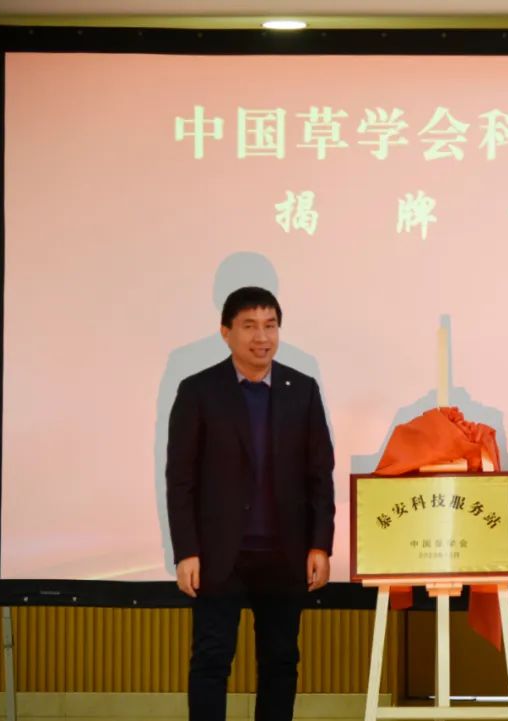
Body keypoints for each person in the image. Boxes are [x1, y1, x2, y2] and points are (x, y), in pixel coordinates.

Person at [166, 286, 335, 721]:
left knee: (281, 661)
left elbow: (320, 476)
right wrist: (186, 550)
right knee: (211, 660)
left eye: (270, 326)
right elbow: (180, 480)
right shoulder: (198, 391)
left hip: (285, 553)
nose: (262, 337)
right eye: (249, 326)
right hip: (219, 554)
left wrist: (320, 544)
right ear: (226, 332)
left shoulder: (303, 389)